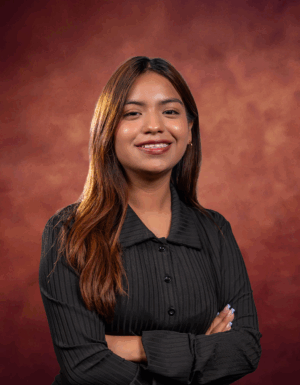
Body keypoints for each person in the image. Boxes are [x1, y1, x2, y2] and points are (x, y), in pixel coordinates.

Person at [39, 56, 262, 385]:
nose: (154, 125)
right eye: (132, 113)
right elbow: (83, 365)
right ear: (108, 131)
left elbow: (243, 349)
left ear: (189, 132)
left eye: (170, 111)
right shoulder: (68, 232)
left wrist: (137, 347)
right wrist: (201, 347)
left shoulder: (215, 230)